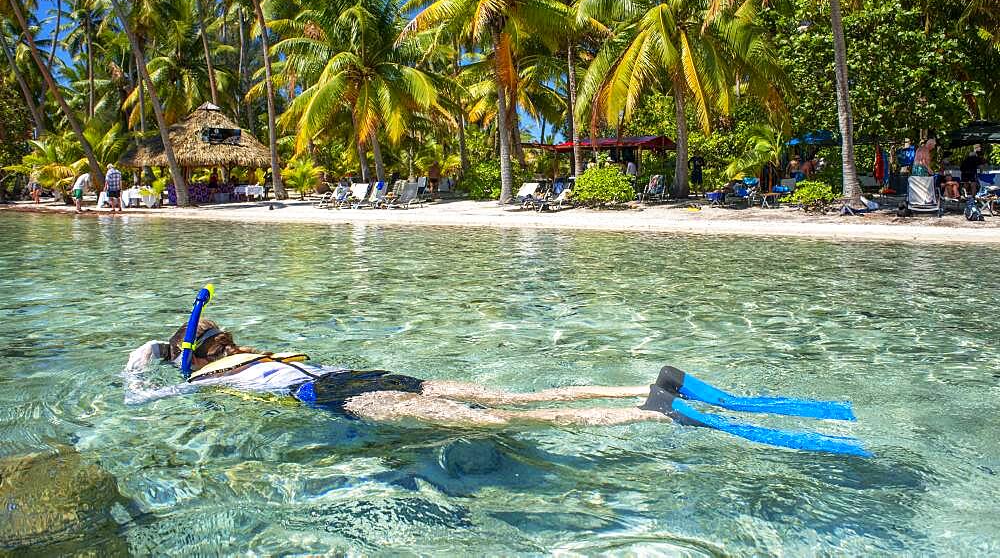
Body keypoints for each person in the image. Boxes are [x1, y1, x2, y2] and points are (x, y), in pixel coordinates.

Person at [123, 317, 867, 455]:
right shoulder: (261, 352)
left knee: (494, 424)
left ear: (192, 358)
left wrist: (155, 364)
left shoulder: (210, 382)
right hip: (358, 371)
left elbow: (143, 391)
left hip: (341, 398)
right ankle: (652, 384)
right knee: (510, 400)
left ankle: (652, 416)